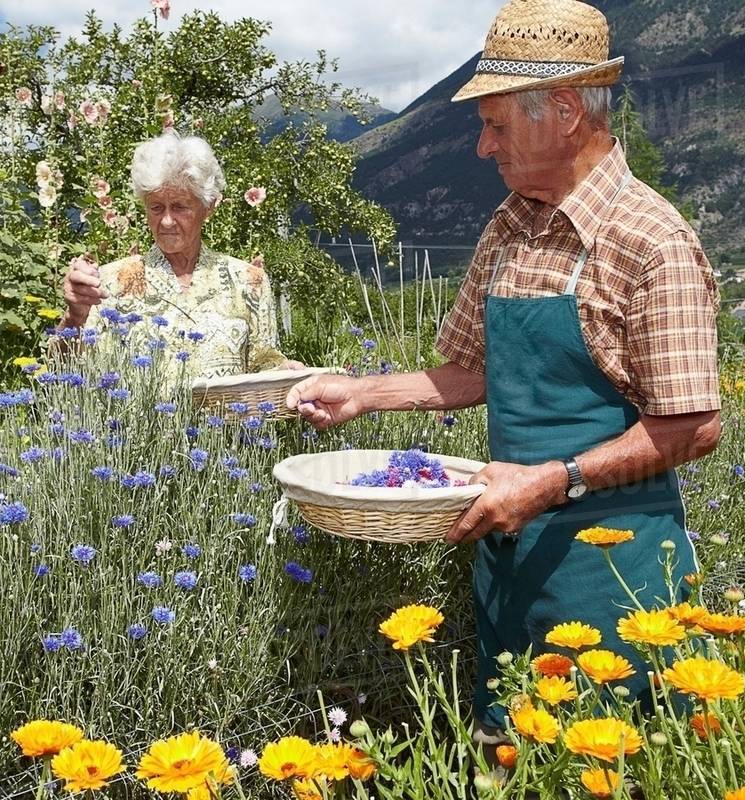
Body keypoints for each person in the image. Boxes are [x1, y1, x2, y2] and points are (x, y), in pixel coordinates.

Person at [286, 0, 721, 736]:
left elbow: (693, 427)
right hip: (509, 558)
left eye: (495, 124)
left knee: (614, 766)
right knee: (508, 755)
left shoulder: (652, 241)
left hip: (614, 576)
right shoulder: (509, 227)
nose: (483, 148)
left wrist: (554, 481)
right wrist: (360, 394)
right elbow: (470, 372)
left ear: (562, 111)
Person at [59, 131, 300, 377]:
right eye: (156, 208)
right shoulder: (108, 282)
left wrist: (285, 371)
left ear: (208, 207)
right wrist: (74, 317)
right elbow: (63, 374)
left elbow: (263, 363)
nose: (166, 221)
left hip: (226, 416)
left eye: (179, 207)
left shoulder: (249, 281)